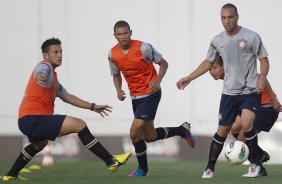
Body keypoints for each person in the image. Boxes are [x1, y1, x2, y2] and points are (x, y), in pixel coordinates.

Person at [1, 38, 131, 181]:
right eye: (55, 52)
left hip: (27, 120)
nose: (59, 55)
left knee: (40, 143)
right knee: (79, 124)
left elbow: (67, 96)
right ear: (45, 55)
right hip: (33, 118)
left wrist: (92, 106)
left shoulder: (54, 79)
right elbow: (40, 71)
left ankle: (11, 174)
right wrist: (40, 76)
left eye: (61, 52)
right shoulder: (45, 67)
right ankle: (111, 161)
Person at [176, 3, 270, 178]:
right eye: (223, 18)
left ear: (237, 17)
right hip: (229, 92)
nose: (227, 21)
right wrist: (189, 77)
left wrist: (262, 77)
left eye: (230, 17)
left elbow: (264, 60)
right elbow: (208, 62)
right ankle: (209, 168)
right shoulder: (217, 40)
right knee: (222, 130)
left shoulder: (251, 36)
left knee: (246, 123)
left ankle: (255, 166)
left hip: (249, 89)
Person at [108, 20, 195, 177]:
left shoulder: (143, 48)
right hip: (135, 97)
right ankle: (183, 130)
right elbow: (116, 75)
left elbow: (164, 63)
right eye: (119, 34)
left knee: (134, 133)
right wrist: (118, 89)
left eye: (125, 33)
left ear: (131, 32)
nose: (123, 37)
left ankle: (142, 170)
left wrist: (158, 81)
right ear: (115, 36)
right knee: (150, 136)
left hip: (151, 93)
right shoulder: (112, 54)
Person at [209, 55, 282, 167]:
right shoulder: (228, 79)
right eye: (209, 69)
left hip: (267, 107)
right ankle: (260, 155)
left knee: (242, 136)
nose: (211, 72)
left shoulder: (237, 73)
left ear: (224, 66)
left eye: (214, 68)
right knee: (233, 128)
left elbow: (260, 77)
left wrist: (273, 99)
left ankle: (257, 167)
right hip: (253, 106)